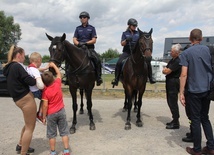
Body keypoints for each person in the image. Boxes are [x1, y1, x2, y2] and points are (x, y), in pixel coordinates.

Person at [179, 28, 214, 155]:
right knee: (205, 118)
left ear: (189, 38)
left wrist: (181, 92)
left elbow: (183, 74)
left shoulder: (186, 53)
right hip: (207, 89)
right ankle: (211, 147)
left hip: (194, 90)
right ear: (201, 38)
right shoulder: (207, 50)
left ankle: (197, 149)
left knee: (195, 119)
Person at [3, 45, 37, 155]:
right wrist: (38, 78)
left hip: (18, 99)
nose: (24, 58)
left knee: (28, 124)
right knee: (30, 128)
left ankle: (21, 144)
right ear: (18, 55)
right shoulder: (17, 67)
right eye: (23, 55)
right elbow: (30, 81)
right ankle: (23, 152)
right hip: (26, 99)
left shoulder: (9, 67)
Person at [111, 18, 155, 87]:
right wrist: (126, 40)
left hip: (136, 53)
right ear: (129, 25)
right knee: (119, 62)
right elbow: (122, 43)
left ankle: (151, 78)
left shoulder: (138, 33)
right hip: (127, 52)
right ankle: (116, 79)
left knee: (147, 62)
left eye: (135, 26)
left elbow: (143, 41)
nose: (134, 27)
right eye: (133, 26)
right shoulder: (125, 33)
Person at [41, 62, 70, 155]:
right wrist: (53, 65)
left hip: (51, 114)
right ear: (53, 78)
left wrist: (44, 117)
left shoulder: (45, 91)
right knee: (64, 132)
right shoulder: (57, 83)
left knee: (51, 134)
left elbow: (45, 105)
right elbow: (59, 74)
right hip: (61, 111)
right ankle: (66, 150)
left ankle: (53, 152)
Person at [72, 11, 103, 86]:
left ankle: (98, 77)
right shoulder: (78, 28)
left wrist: (86, 43)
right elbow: (74, 39)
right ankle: (67, 78)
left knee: (97, 60)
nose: (82, 19)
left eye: (84, 17)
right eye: (81, 17)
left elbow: (94, 40)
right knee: (69, 59)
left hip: (89, 48)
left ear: (88, 18)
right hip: (79, 48)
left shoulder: (92, 28)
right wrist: (79, 44)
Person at [162, 43, 181, 129]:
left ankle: (176, 122)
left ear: (177, 53)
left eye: (172, 51)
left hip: (174, 82)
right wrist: (165, 70)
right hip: (169, 81)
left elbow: (167, 71)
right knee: (169, 101)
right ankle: (174, 119)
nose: (170, 53)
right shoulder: (172, 60)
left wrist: (166, 70)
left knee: (173, 102)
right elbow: (164, 69)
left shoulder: (177, 61)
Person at [26, 52, 49, 123]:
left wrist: (44, 68)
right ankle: (40, 114)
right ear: (38, 60)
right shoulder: (35, 70)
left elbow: (36, 70)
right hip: (36, 90)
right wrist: (44, 88)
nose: (40, 64)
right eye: (41, 62)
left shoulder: (28, 68)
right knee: (46, 97)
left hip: (30, 90)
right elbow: (40, 84)